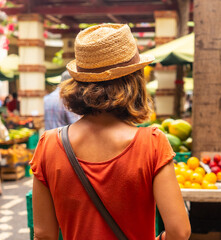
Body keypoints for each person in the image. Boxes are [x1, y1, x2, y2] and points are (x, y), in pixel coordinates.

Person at [30, 24, 191, 240]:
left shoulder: (48, 144)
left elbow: (43, 234)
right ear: (134, 82)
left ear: (78, 82)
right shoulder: (152, 143)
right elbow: (179, 232)